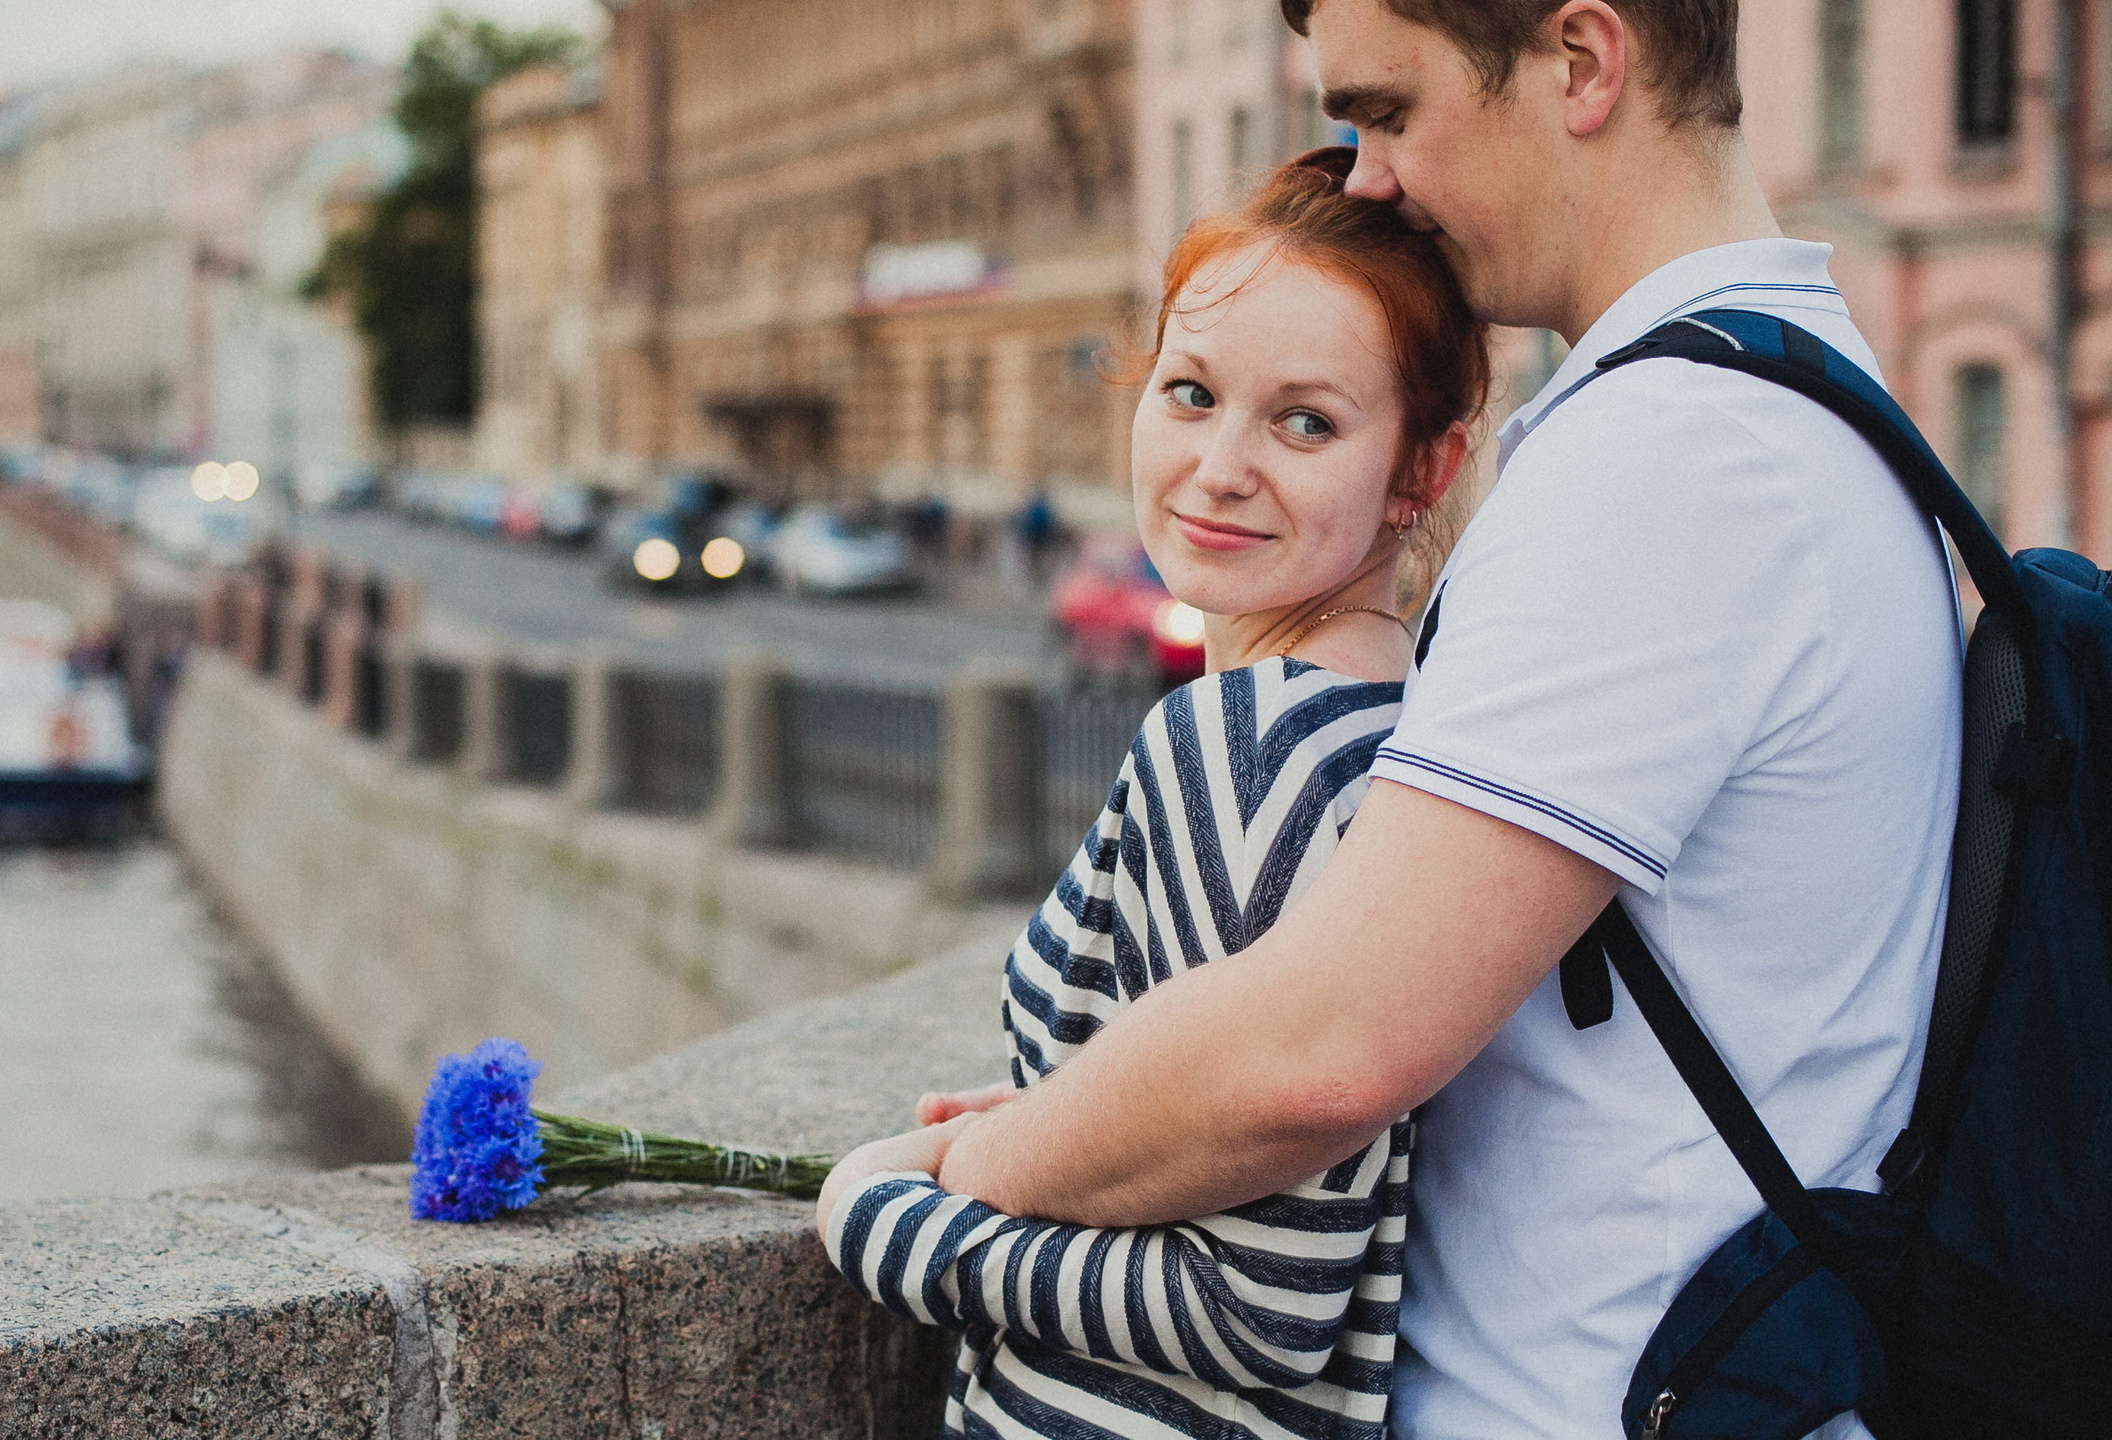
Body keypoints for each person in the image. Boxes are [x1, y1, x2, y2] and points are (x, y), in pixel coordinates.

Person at [821, 3, 1961, 1437]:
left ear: (1581, 61)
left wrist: (942, 1179)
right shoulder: (1797, 389)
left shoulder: (1684, 457)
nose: (1362, 174)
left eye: (1387, 112)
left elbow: (1319, 1057)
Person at [817, 149, 1486, 1439]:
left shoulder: (1246, 746)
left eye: (1306, 422)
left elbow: (1261, 1304)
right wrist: (1078, 1113)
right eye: (1190, 393)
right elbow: (1233, 1143)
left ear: (1420, 469)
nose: (1219, 466)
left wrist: (891, 1212)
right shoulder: (1410, 721)